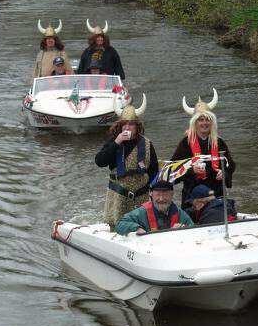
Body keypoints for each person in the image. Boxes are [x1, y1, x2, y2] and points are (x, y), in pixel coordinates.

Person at [95, 94, 159, 228]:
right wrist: (117, 142)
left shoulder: (147, 144)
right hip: (118, 196)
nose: (127, 127)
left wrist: (152, 192)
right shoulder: (114, 142)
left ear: (137, 126)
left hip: (141, 196)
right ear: (120, 126)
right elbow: (100, 161)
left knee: (143, 227)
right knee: (117, 228)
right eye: (124, 124)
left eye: (131, 124)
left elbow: (154, 171)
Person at [170, 88, 236, 205]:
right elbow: (173, 169)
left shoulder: (219, 142)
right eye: (201, 120)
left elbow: (230, 165)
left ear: (212, 122)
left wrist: (224, 173)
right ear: (195, 123)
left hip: (216, 193)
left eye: (207, 120)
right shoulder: (185, 143)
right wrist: (191, 170)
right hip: (192, 195)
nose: (204, 123)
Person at [115, 180, 194, 235]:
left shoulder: (180, 213)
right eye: (158, 195)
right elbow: (120, 224)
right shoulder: (141, 212)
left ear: (172, 194)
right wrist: (136, 228)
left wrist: (183, 230)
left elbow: (193, 230)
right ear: (151, 194)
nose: (161, 199)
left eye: (165, 195)